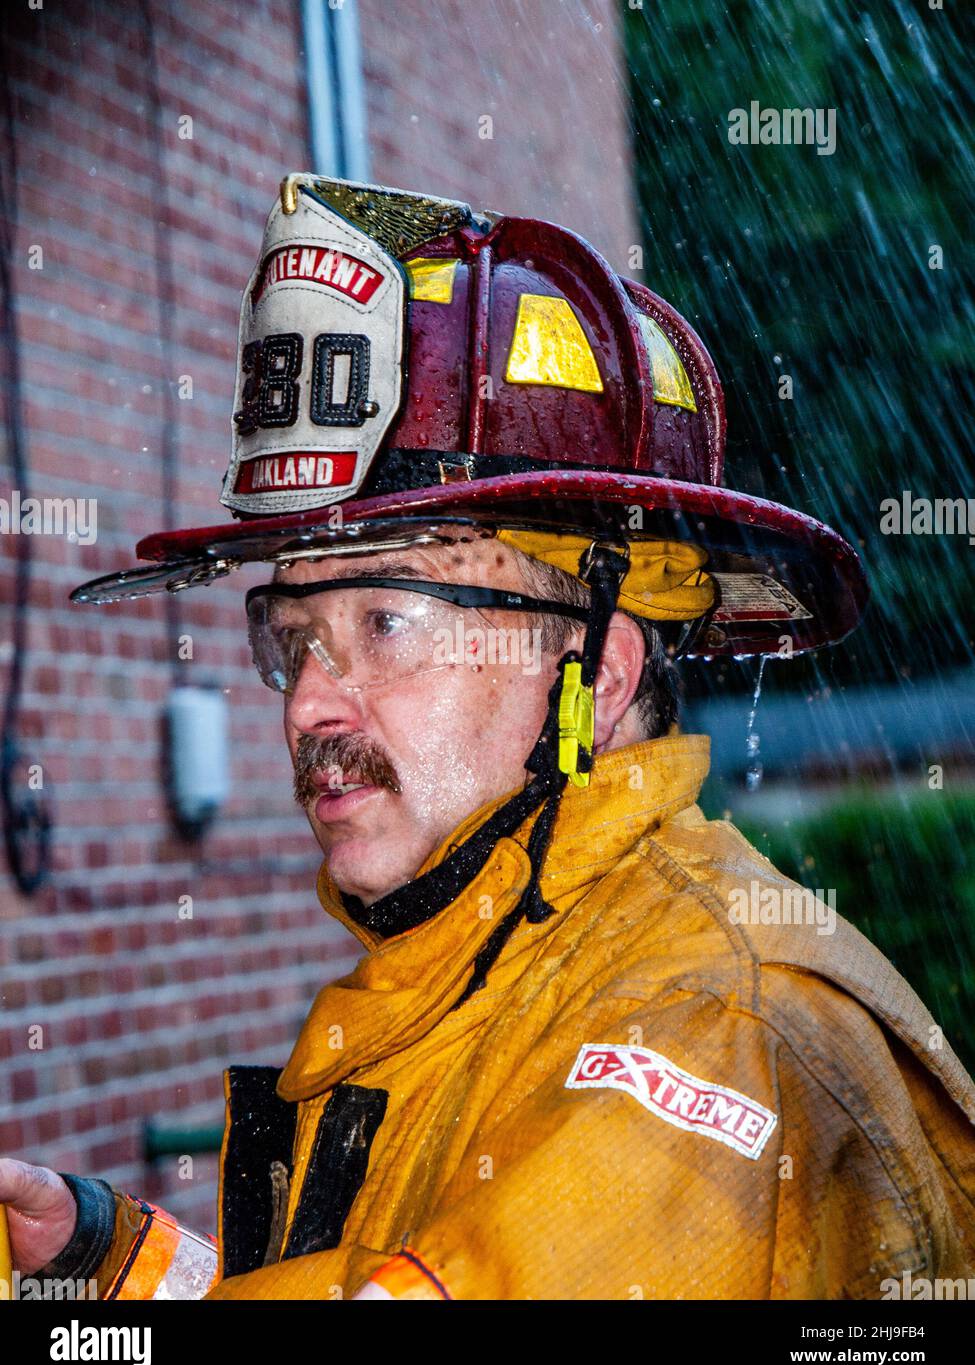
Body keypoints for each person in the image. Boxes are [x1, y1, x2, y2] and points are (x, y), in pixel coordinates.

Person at [2, 173, 973, 1301]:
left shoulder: (705, 1029)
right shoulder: (482, 965)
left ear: (596, 675)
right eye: (295, 634)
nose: (309, 703)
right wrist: (99, 1263)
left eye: (388, 622)